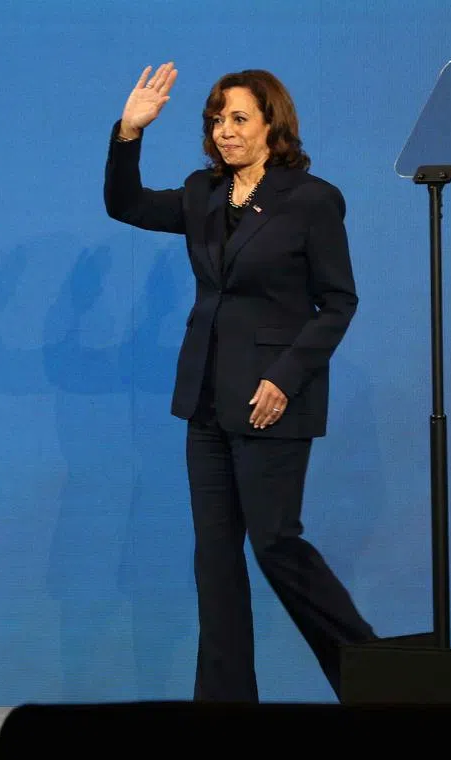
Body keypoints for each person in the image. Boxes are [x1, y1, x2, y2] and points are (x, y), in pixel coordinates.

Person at [103, 61, 376, 702]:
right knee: (216, 560)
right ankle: (225, 704)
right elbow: (125, 204)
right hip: (207, 400)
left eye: (238, 119)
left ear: (271, 124)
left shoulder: (311, 199)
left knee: (276, 543)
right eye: (216, 120)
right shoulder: (202, 194)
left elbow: (338, 302)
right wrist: (128, 134)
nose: (224, 131)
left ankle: (376, 680)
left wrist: (285, 377)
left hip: (271, 402)